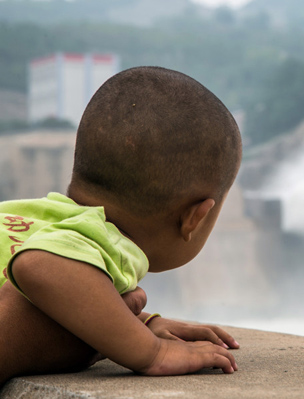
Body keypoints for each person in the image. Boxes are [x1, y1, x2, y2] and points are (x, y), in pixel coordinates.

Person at [0, 66, 243, 386]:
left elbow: (61, 290)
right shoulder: (111, 242)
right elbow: (37, 265)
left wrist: (135, 324)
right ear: (194, 218)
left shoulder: (32, 214)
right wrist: (151, 352)